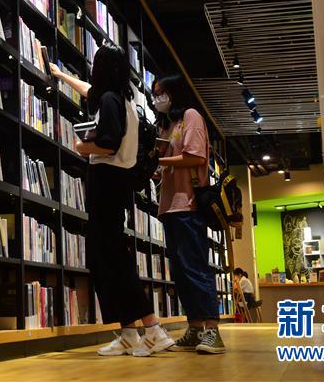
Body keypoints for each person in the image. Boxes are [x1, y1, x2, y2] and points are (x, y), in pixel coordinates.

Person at [49, 44, 173, 357]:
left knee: (111, 259)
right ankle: (129, 332)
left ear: (101, 68)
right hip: (118, 184)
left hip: (106, 182)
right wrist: (60, 75)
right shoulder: (124, 100)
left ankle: (152, 328)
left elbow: (108, 144)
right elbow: (89, 90)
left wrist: (83, 148)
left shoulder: (108, 100)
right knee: (105, 258)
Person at [152, 73, 225, 354]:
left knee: (195, 267)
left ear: (175, 92)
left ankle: (212, 330)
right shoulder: (168, 124)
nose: (158, 98)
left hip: (189, 204)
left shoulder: (191, 116)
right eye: (155, 94)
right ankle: (195, 328)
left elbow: (195, 156)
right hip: (169, 207)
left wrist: (160, 159)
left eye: (162, 92)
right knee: (181, 272)